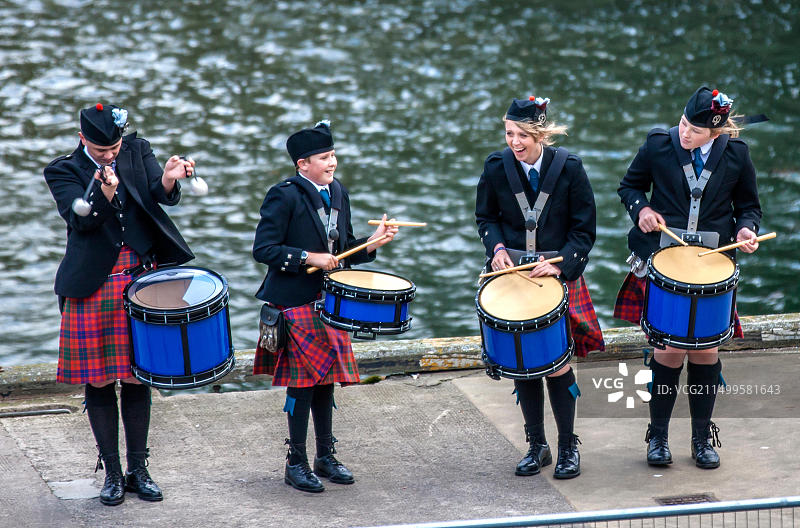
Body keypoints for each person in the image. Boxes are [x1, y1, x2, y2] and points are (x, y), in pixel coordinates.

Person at [44, 103, 195, 505]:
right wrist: (101, 193)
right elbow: (79, 221)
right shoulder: (61, 170)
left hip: (141, 277)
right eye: (103, 148)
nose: (112, 153)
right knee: (98, 379)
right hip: (95, 284)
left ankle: (139, 469)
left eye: (115, 146)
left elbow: (155, 199)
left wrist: (166, 180)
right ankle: (111, 472)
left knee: (136, 376)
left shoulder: (136, 148)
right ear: (82, 140)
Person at [614, 86, 762, 469]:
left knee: (705, 351)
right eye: (683, 124)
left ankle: (701, 439)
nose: (684, 134)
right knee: (668, 349)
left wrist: (747, 230)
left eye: (694, 131)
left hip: (713, 266)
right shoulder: (658, 146)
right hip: (664, 261)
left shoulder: (737, 154)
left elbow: (748, 207)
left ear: (715, 133)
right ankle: (658, 437)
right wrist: (642, 210)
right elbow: (629, 186)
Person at [252, 120, 398, 493]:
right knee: (302, 385)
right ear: (303, 164)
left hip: (331, 304)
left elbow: (343, 248)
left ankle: (324, 456)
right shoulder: (283, 196)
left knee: (326, 382)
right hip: (294, 302)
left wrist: (372, 243)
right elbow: (264, 250)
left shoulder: (339, 193)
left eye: (333, 155)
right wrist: (307, 257)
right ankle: (295, 462)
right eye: (324, 157)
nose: (332, 163)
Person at [475, 96, 605, 479]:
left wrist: (561, 263)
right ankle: (537, 446)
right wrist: (496, 247)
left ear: (541, 135)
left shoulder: (570, 169)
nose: (515, 142)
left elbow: (584, 231)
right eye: (509, 134)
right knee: (523, 364)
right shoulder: (497, 167)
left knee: (558, 363)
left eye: (523, 136)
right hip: (512, 276)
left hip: (555, 276)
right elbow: (486, 217)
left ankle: (568, 447)